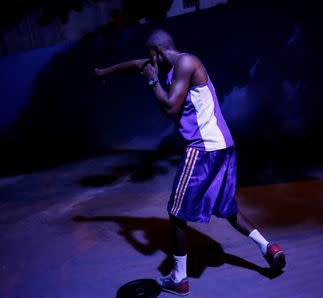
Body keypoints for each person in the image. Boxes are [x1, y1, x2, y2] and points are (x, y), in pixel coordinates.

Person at [94, 29, 285, 296]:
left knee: (176, 214)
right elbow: (138, 65)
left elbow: (171, 108)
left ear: (158, 51)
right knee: (228, 210)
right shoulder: (172, 61)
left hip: (203, 149)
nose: (150, 65)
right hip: (223, 146)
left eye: (152, 58)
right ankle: (269, 248)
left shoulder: (185, 63)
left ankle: (179, 279)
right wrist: (105, 72)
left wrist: (152, 83)